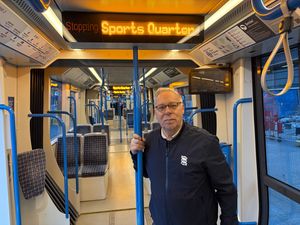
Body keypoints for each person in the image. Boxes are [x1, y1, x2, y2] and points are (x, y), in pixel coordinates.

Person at [130, 87, 238, 225]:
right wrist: (135, 155)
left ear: (182, 108)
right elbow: (146, 173)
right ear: (155, 112)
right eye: (161, 107)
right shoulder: (150, 141)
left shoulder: (205, 142)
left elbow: (226, 188)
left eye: (173, 105)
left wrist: (229, 222)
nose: (168, 111)